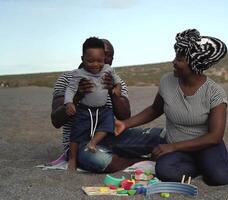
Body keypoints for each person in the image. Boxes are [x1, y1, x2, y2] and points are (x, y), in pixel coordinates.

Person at [115, 29, 228, 186]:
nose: (173, 62)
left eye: (180, 59)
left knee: (219, 177)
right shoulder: (167, 82)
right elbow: (155, 109)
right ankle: (203, 166)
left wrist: (172, 147)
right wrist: (125, 124)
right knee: (165, 171)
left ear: (195, 63)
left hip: (206, 147)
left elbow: (215, 136)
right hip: (179, 150)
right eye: (175, 57)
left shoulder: (215, 92)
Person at [51, 38, 164, 173]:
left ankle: (132, 154)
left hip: (112, 135)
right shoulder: (68, 78)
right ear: (85, 57)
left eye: (106, 55)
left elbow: (124, 116)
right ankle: (143, 162)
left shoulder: (115, 81)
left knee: (161, 136)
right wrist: (77, 96)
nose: (101, 60)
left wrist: (112, 92)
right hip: (79, 143)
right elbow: (56, 121)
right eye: (94, 57)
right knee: (102, 161)